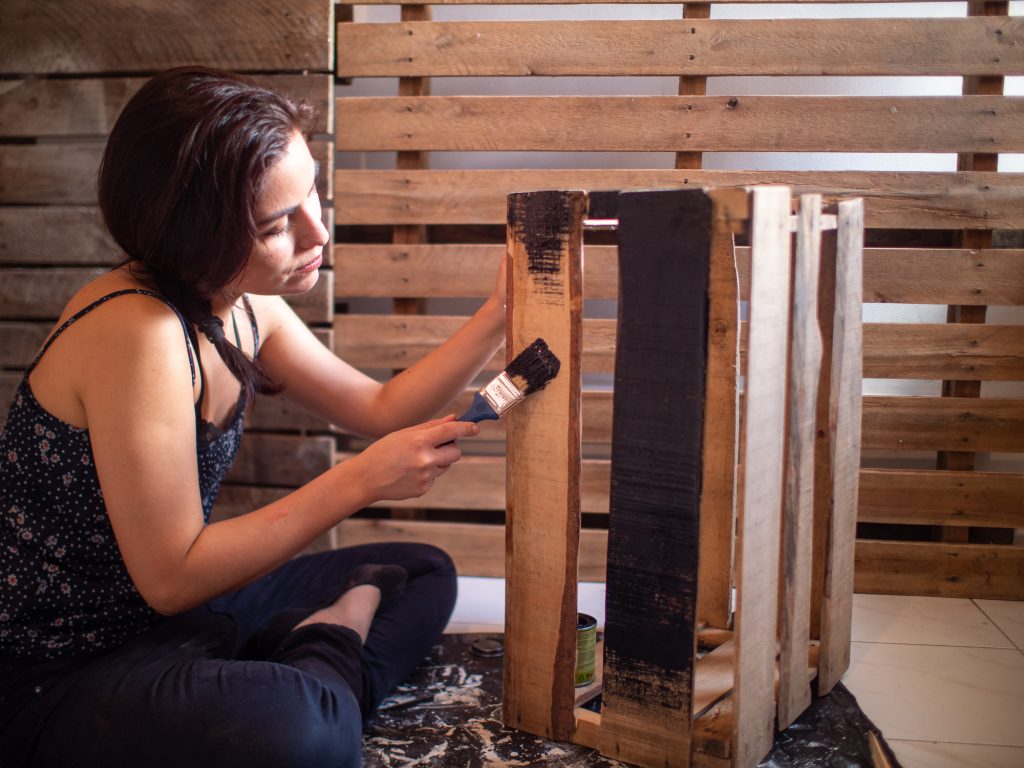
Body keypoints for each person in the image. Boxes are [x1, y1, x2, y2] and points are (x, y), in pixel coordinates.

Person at [0, 67, 506, 767]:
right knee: (301, 735)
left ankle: (310, 666)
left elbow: (382, 408)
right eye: (278, 224)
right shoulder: (137, 331)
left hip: (182, 621)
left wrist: (496, 316)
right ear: (194, 235)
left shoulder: (243, 302)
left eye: (313, 192)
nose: (317, 231)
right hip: (63, 672)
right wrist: (358, 483)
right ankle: (328, 654)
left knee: (421, 571)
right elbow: (171, 575)